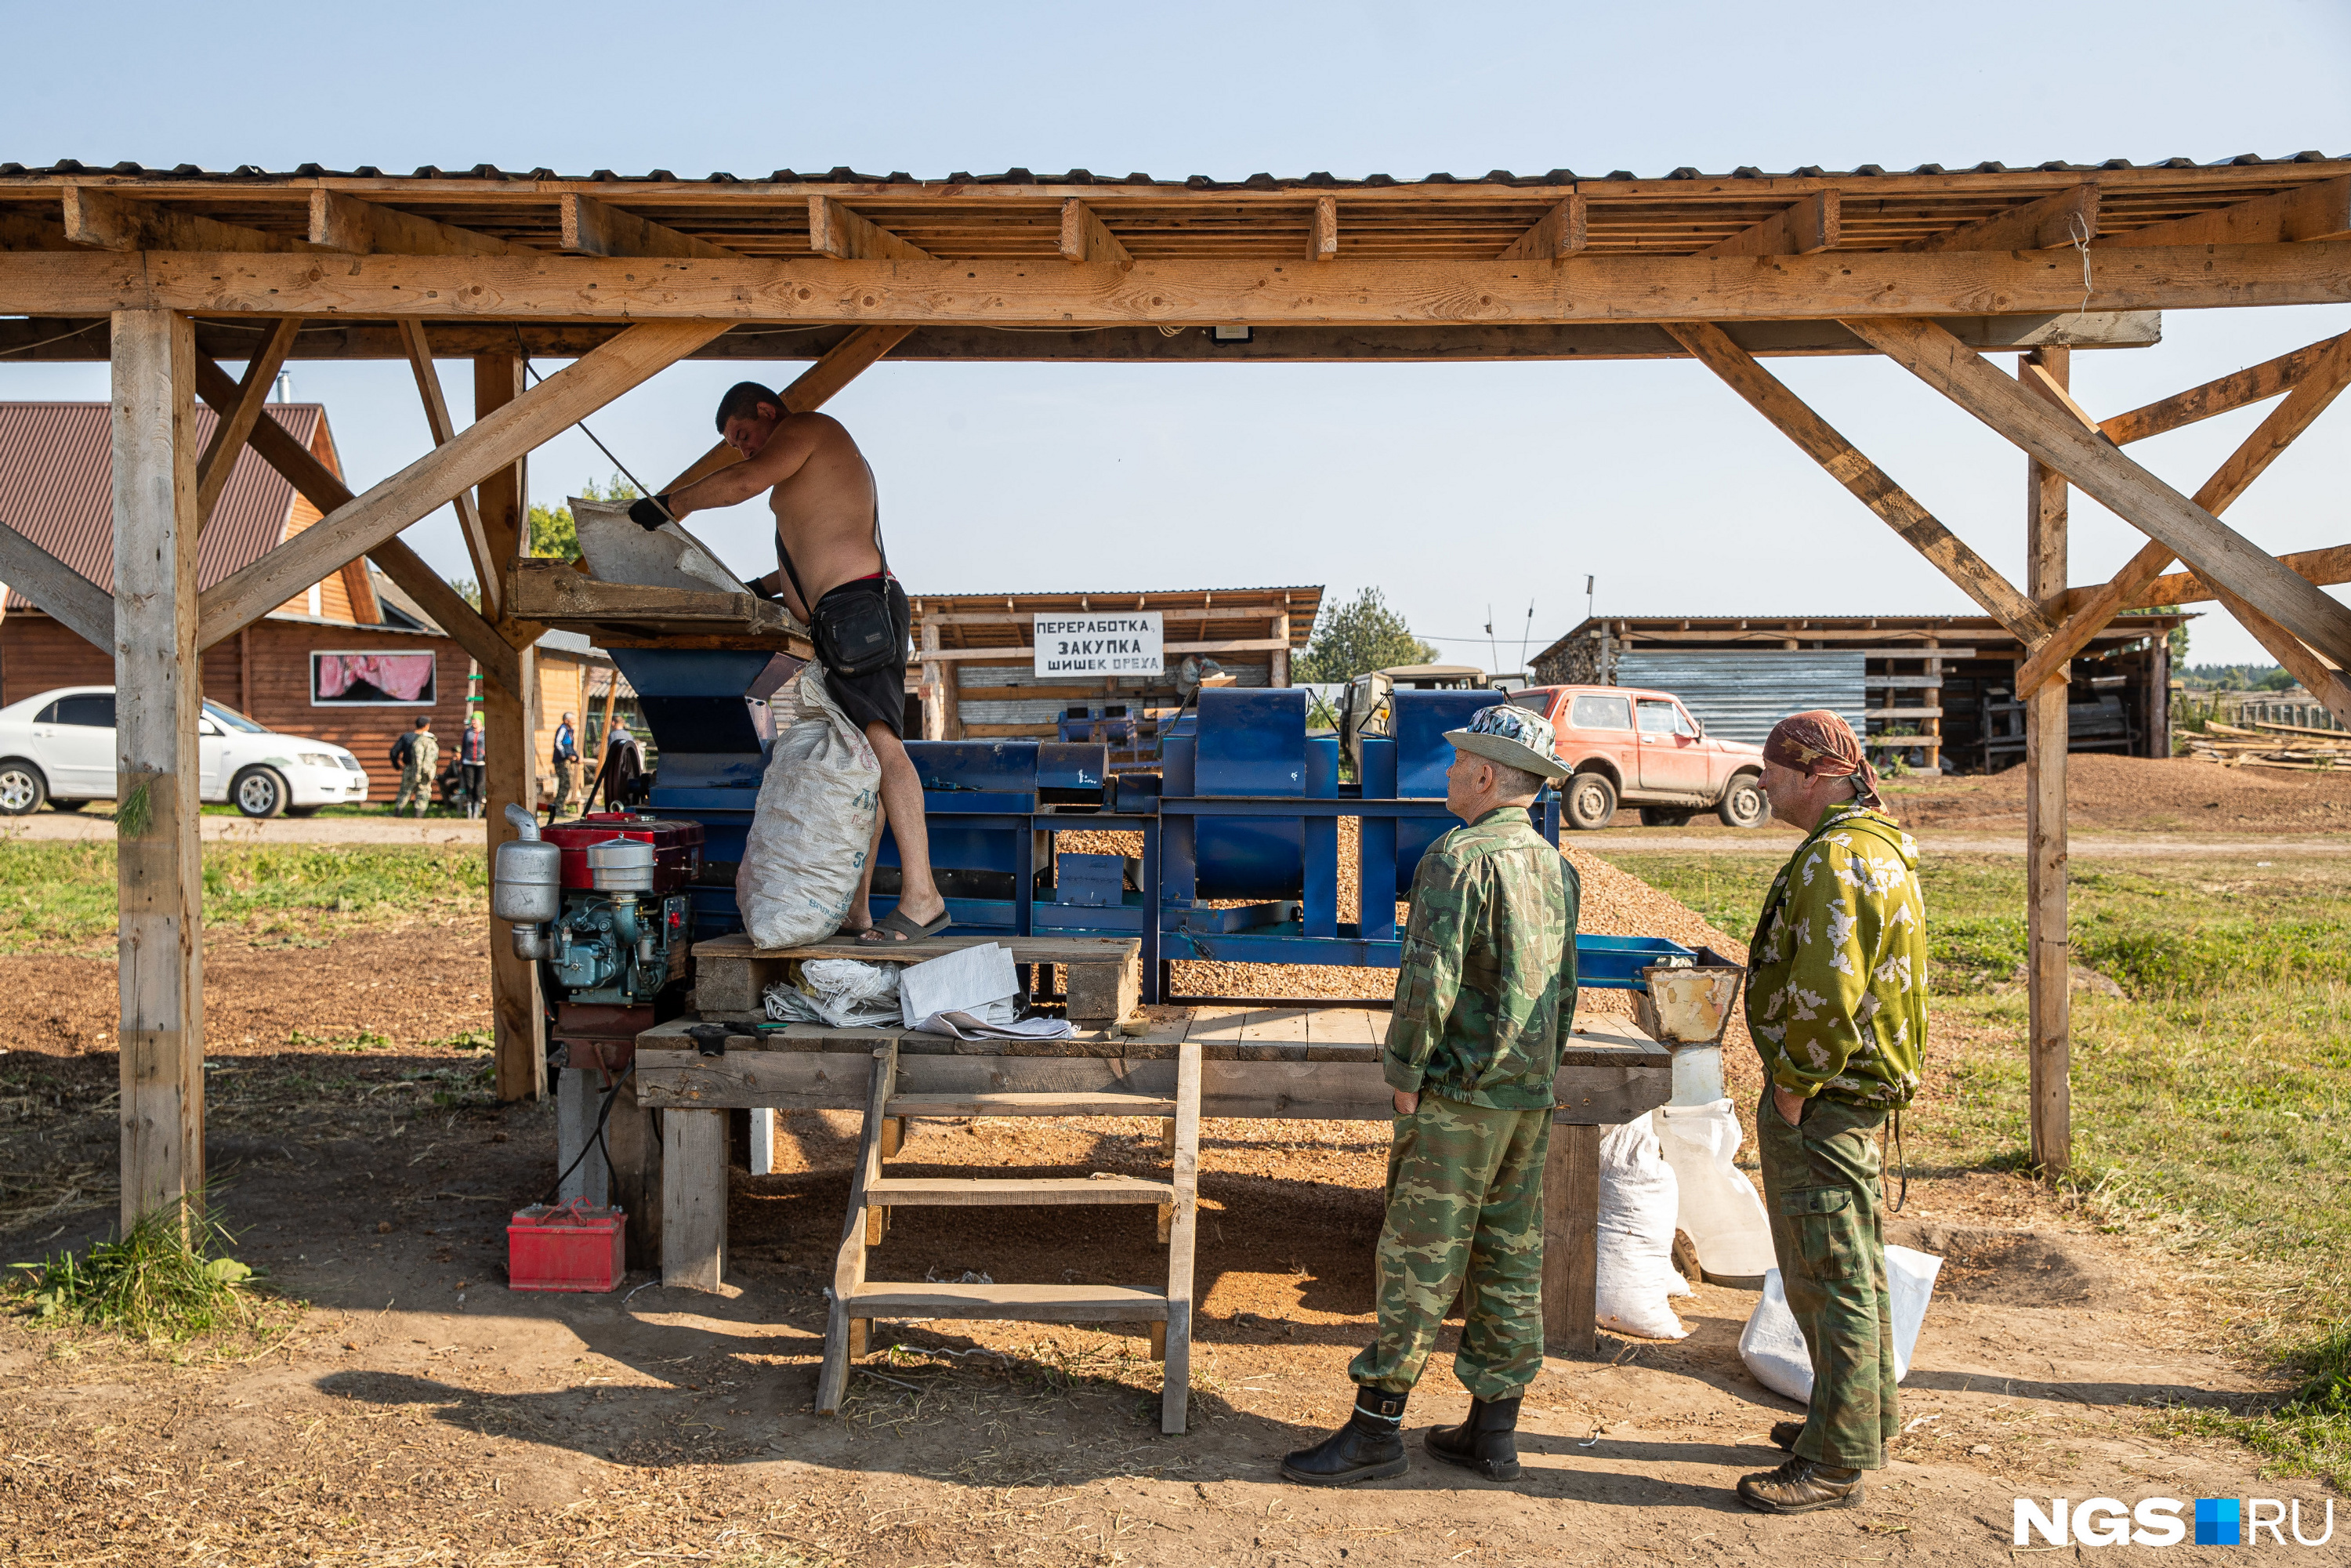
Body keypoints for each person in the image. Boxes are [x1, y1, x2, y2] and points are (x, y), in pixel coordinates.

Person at [1282, 704, 1579, 1487]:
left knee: (1419, 1257)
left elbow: (1428, 981)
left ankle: (1378, 1429)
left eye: (1456, 764)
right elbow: (1567, 991)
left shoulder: (1458, 859)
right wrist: (1540, 1076)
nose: (1447, 775)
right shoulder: (1556, 868)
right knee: (1510, 1258)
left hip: (1459, 1098)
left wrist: (1406, 1075)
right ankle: (1494, 1431)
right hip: (1526, 1097)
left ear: (1484, 775)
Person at [631, 384, 947, 944]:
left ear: (767, 412)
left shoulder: (809, 429)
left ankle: (922, 896)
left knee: (883, 747)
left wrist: (669, 506)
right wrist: (757, 588)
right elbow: (809, 548)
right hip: (838, 616)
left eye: (743, 435)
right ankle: (856, 909)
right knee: (859, 765)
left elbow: (744, 483)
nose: (742, 449)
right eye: (734, 443)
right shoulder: (802, 476)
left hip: (860, 609)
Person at [1734, 711, 1927, 1515]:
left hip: (1825, 1096)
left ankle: (1836, 1461)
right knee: (1851, 1260)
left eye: (1774, 772)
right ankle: (1858, 1416)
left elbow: (1828, 983)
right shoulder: (1878, 844)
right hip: (1851, 1092)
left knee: (1826, 1269)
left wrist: (1794, 1081)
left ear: (1814, 774)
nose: (1763, 784)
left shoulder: (1837, 858)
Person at [391, 716, 437, 817]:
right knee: (423, 791)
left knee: (405, 791)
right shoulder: (428, 739)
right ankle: (418, 816)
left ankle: (398, 814)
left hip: (409, 768)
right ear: (427, 726)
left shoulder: (407, 737)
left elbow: (394, 752)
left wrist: (398, 766)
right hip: (426, 770)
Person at [458, 712, 487, 820]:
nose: (473, 722)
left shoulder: (485, 732)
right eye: (472, 720)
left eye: (476, 720)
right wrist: (461, 762)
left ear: (481, 721)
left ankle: (477, 811)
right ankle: (469, 812)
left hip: (481, 762)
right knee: (469, 786)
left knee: (479, 786)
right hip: (468, 762)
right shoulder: (468, 732)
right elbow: (464, 747)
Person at [552, 711, 578, 817]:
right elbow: (558, 743)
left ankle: (560, 807)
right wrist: (565, 755)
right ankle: (558, 808)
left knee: (566, 784)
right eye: (573, 720)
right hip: (561, 761)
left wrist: (576, 757)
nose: (574, 722)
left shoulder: (569, 731)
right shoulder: (563, 729)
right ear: (566, 720)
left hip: (566, 761)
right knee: (565, 784)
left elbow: (570, 746)